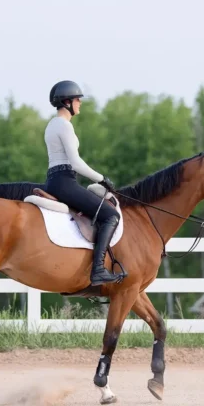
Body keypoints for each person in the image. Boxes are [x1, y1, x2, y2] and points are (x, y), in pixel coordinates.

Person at [44, 80, 126, 286]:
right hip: (65, 181)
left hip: (55, 180)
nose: (80, 102)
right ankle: (98, 269)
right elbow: (76, 163)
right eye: (77, 99)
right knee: (111, 216)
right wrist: (102, 179)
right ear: (67, 102)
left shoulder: (52, 125)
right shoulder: (64, 126)